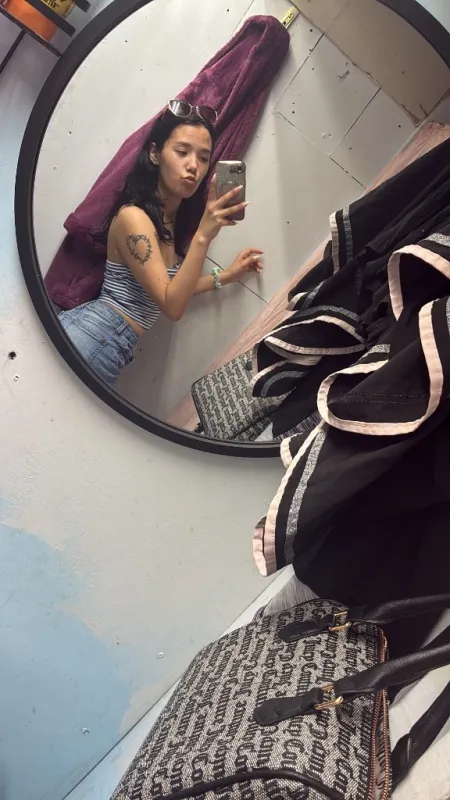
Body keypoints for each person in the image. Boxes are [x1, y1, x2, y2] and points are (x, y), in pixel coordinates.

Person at [58, 99, 263, 387]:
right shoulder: (133, 218)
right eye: (182, 152)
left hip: (111, 344)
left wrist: (227, 276)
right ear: (155, 154)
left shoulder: (168, 222)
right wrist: (204, 235)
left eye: (204, 158)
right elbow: (172, 305)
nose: (193, 166)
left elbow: (173, 287)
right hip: (92, 336)